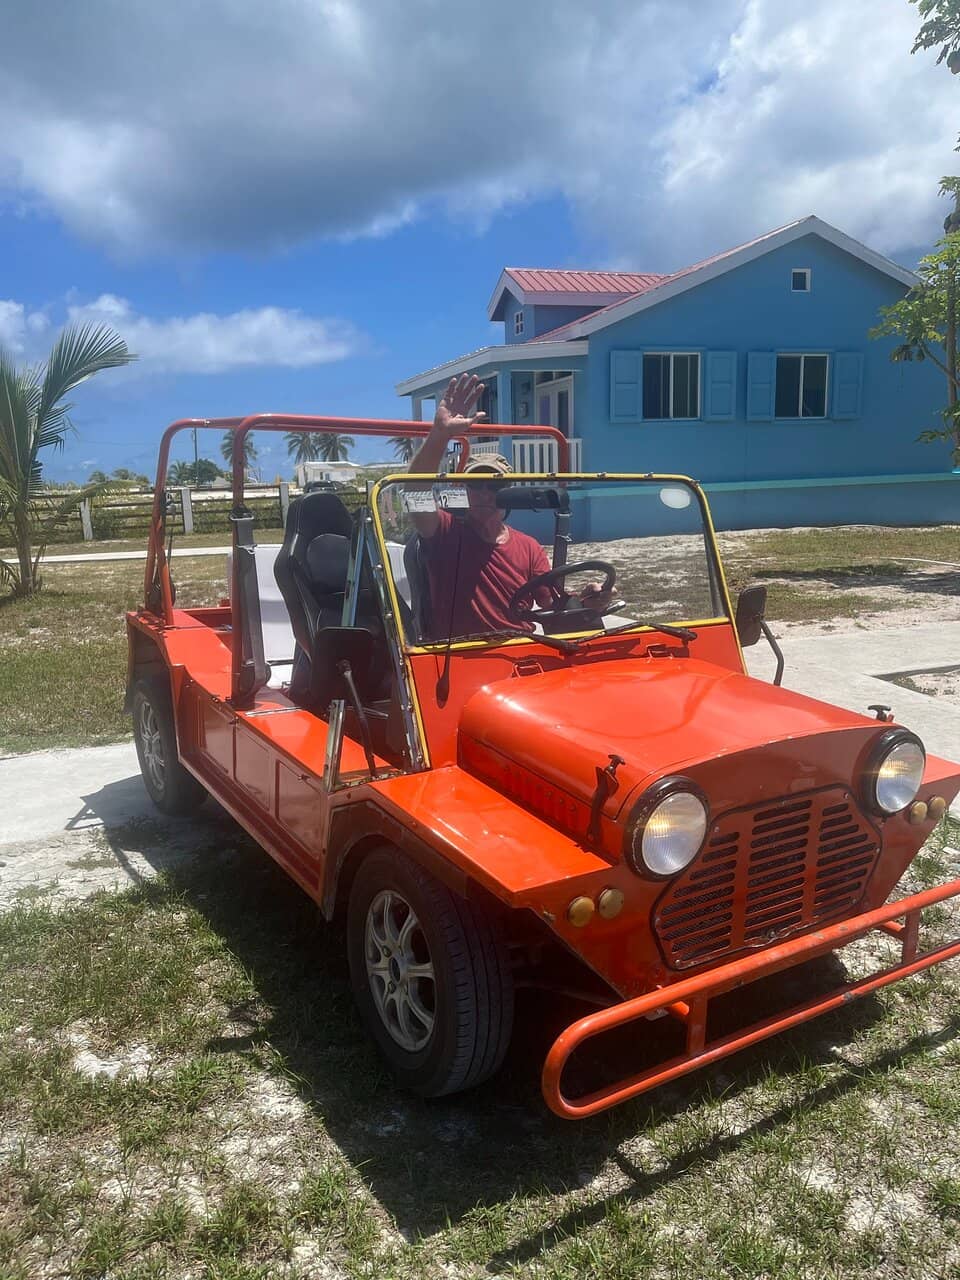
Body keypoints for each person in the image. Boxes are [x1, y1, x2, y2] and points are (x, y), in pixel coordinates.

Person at [405, 373, 610, 638]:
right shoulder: (445, 531)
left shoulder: (529, 547)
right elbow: (415, 492)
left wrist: (588, 600)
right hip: (462, 652)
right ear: (465, 490)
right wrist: (440, 435)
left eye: (495, 486)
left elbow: (550, 603)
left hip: (519, 649)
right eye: (476, 485)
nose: (485, 493)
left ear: (508, 491)